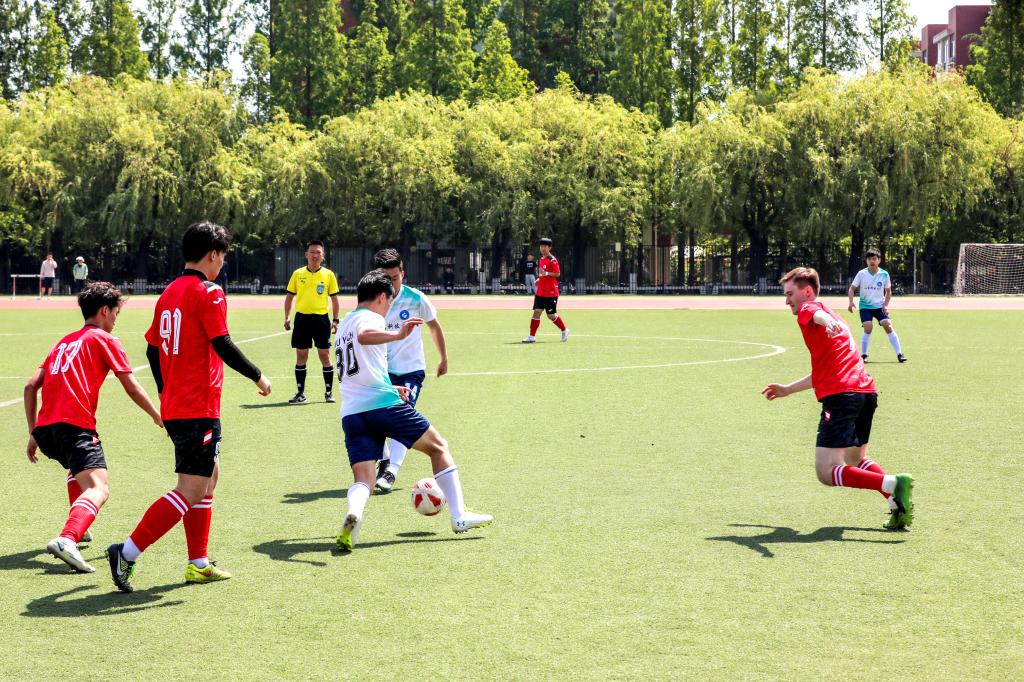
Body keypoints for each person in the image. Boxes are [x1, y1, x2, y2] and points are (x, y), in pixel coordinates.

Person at [106, 221, 272, 593]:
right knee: (191, 487)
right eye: (223, 257)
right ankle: (126, 552)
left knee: (209, 478)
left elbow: (152, 349)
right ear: (213, 255)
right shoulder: (209, 292)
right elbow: (222, 343)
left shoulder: (168, 293)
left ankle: (198, 563)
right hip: (198, 405)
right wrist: (258, 376)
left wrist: (165, 392)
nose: (222, 264)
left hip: (180, 405)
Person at [335, 270, 492, 552]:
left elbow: (359, 370)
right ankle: (459, 516)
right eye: (389, 301)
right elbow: (365, 335)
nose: (388, 308)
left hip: (352, 413)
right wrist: (398, 333)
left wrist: (390, 386)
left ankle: (354, 513)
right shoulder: (369, 319)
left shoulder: (344, 323)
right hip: (382, 407)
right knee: (438, 447)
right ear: (381, 297)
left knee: (364, 480)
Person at [24, 282, 163, 573]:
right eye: (115, 313)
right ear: (104, 311)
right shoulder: (104, 339)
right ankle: (68, 538)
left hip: (47, 431)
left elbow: (30, 386)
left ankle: (79, 524)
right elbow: (132, 387)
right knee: (99, 486)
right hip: (74, 427)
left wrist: (33, 432)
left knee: (78, 469)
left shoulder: (63, 341)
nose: (115, 320)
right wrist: (156, 415)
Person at [762, 267, 914, 530]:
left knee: (826, 472)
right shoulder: (838, 319)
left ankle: (892, 483)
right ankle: (897, 505)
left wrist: (824, 321)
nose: (787, 301)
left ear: (806, 292)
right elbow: (825, 371)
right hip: (866, 393)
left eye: (789, 294)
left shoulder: (811, 310)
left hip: (843, 397)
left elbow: (813, 313)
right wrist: (787, 389)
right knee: (856, 460)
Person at [370, 249, 449, 493]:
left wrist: (443, 357)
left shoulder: (416, 299)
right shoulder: (373, 301)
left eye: (395, 277)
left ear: (402, 274)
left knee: (402, 415)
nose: (391, 283)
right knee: (374, 419)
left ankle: (391, 471)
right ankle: (385, 461)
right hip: (381, 371)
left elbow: (434, 327)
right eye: (386, 278)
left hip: (410, 371)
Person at [284, 240, 341, 404]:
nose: (315, 255)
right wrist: (287, 317)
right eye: (312, 252)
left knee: (324, 355)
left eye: (318, 252)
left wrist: (335, 319)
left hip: (321, 319)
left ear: (323, 256)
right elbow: (289, 298)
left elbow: (335, 300)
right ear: (306, 255)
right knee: (301, 355)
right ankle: (300, 393)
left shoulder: (329, 275)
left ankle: (328, 393)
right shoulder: (297, 274)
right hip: (302, 319)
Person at [848, 248, 906, 363]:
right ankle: (864, 355)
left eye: (874, 259)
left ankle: (900, 354)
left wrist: (886, 305)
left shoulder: (884, 274)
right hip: (865, 307)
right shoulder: (861, 274)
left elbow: (888, 291)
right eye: (869, 259)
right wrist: (850, 302)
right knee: (868, 327)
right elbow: (852, 288)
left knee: (888, 325)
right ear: (866, 261)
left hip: (879, 307)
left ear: (879, 260)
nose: (872, 261)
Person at [522, 238, 569, 343]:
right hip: (541, 292)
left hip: (550, 292)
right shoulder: (541, 259)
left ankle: (564, 330)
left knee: (551, 315)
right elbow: (543, 274)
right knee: (536, 312)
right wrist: (539, 279)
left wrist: (546, 273)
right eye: (541, 246)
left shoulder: (552, 259)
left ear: (549, 248)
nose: (542, 248)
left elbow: (557, 273)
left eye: (545, 246)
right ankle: (532, 337)